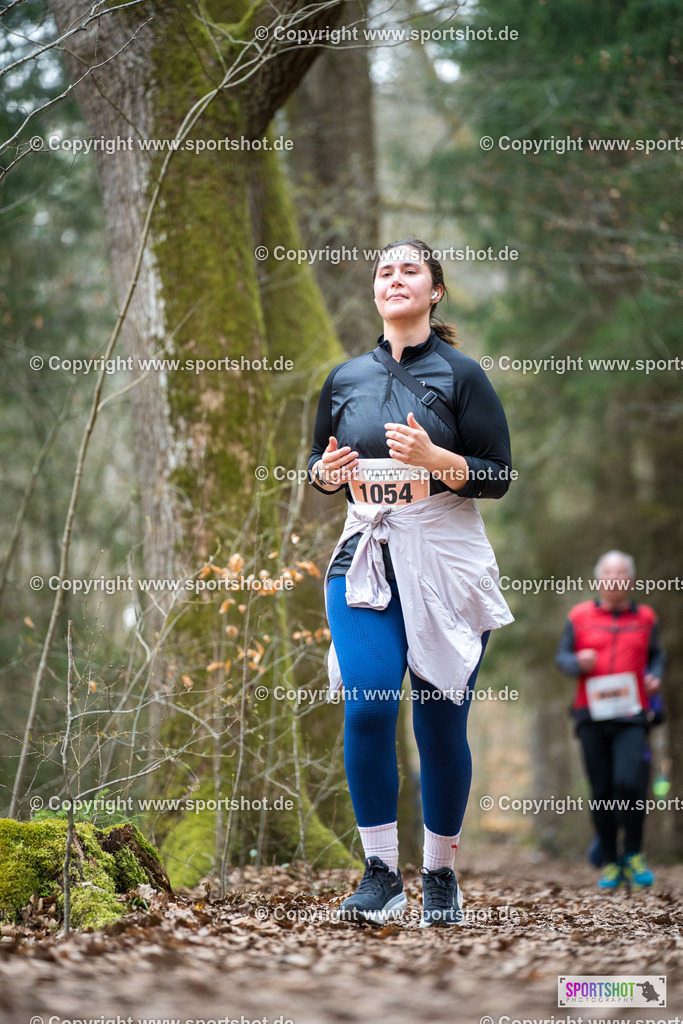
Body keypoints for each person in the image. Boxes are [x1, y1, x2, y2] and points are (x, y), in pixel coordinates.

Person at [307, 238, 513, 926]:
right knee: (366, 705)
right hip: (364, 552)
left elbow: (498, 475)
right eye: (384, 271)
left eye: (409, 270)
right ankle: (378, 875)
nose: (394, 279)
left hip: (446, 560)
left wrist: (438, 459)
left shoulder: (462, 376)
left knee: (438, 720)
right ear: (374, 292)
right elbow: (317, 463)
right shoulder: (342, 379)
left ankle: (441, 877)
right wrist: (322, 475)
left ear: (434, 292)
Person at [555, 550, 666, 890]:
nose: (614, 579)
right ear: (598, 579)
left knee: (629, 783)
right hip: (591, 714)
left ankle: (633, 853)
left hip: (632, 714)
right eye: (608, 573)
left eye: (621, 573)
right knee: (602, 789)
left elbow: (657, 655)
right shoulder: (579, 616)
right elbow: (562, 658)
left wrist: (655, 676)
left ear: (630, 580)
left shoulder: (646, 618)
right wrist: (577, 662)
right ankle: (611, 860)